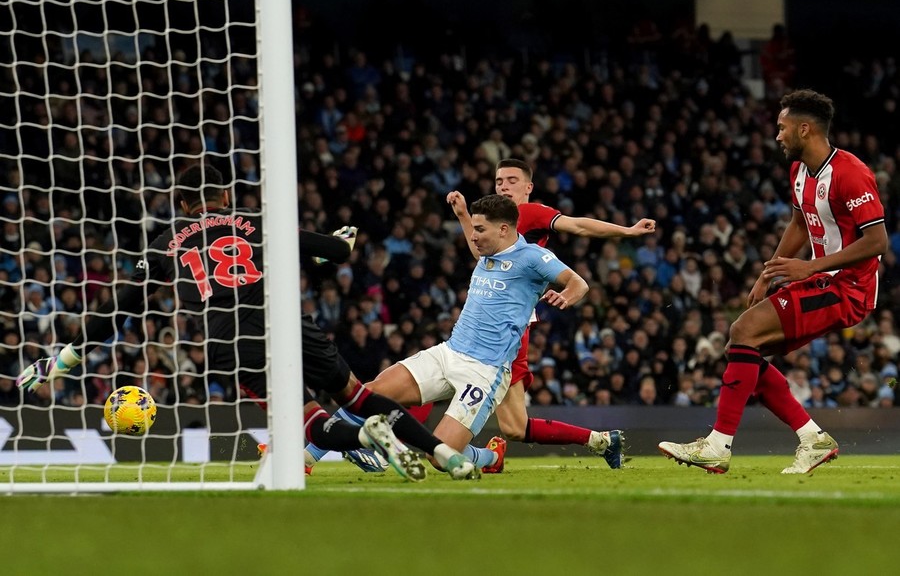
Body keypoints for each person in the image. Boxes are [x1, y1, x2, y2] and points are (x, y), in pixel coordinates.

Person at [16, 164, 476, 482]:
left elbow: (122, 305)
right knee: (358, 394)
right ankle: (443, 455)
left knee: (307, 421)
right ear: (225, 198)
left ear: (181, 202)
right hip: (289, 324)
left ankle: (360, 436)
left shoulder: (165, 243)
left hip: (232, 339)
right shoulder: (255, 221)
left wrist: (68, 357)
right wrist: (336, 242)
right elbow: (336, 255)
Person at [659, 89, 887, 474]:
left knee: (744, 330)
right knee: (744, 345)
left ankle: (718, 445)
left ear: (804, 129)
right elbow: (800, 222)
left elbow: (877, 241)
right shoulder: (799, 171)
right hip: (825, 280)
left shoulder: (851, 173)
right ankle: (813, 438)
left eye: (782, 128)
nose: (777, 136)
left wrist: (810, 268)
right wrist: (769, 272)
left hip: (849, 288)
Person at [310, 194, 591, 472]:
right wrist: (462, 215)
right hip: (448, 353)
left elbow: (578, 283)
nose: (474, 236)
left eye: (480, 230)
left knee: (438, 456)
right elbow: (475, 238)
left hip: (485, 371)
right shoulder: (486, 251)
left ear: (503, 229)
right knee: (368, 393)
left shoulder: (533, 257)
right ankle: (307, 458)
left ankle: (491, 457)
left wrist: (566, 296)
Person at [426, 158, 655, 472]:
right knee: (514, 427)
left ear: (528, 187)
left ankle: (437, 444)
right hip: (499, 325)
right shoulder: (496, 221)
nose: (504, 186)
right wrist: (465, 216)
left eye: (511, 180)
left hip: (507, 330)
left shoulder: (528, 213)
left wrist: (626, 232)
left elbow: (577, 225)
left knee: (463, 387)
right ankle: (601, 441)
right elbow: (479, 254)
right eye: (498, 181)